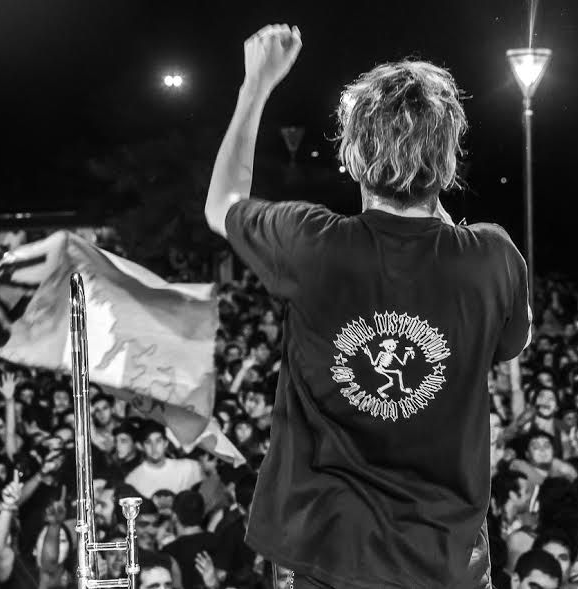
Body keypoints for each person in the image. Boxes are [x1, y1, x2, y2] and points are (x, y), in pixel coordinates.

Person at [203, 23, 530, 589]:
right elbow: (513, 342)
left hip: (321, 555)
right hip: (443, 562)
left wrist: (255, 86)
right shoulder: (493, 257)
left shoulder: (312, 243)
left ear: (352, 156)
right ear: (448, 159)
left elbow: (222, 205)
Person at [124, 421, 203, 498]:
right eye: (148, 442)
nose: (154, 447)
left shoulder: (189, 468)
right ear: (141, 447)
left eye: (158, 441)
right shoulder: (133, 480)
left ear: (166, 443)